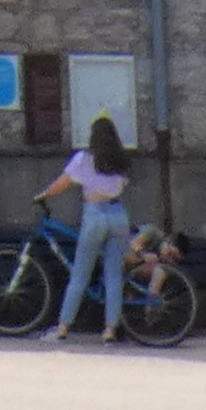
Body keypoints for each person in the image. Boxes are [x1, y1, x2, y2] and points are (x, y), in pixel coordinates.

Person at [44, 115, 136, 339]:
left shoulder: (84, 159)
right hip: (118, 214)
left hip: (94, 215)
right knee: (114, 275)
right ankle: (110, 329)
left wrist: (44, 194)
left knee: (80, 275)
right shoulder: (121, 161)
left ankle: (63, 327)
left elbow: (63, 183)